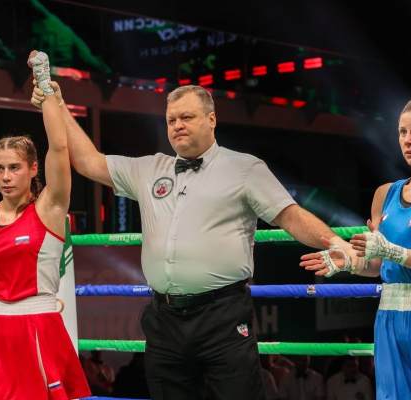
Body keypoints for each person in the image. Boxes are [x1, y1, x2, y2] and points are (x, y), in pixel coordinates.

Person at [30, 52, 364, 400]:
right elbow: (87, 162)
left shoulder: (245, 168)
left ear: (212, 119)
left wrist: (335, 242)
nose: (178, 125)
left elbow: (289, 215)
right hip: (165, 319)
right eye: (171, 120)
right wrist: (58, 104)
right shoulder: (149, 168)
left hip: (223, 316)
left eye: (187, 117)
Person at [302, 88, 411, 399]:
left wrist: (392, 251)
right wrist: (350, 262)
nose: (407, 140)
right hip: (390, 317)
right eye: (402, 131)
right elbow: (377, 265)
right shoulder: (384, 194)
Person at [0, 52, 90, 400]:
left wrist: (45, 85)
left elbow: (59, 146)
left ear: (33, 169)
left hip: (38, 327)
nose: (5, 176)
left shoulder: (50, 209)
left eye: (14, 167)